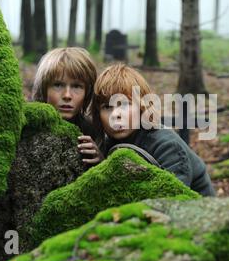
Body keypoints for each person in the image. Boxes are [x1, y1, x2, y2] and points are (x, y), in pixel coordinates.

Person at [92, 63, 216, 197]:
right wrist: (102, 165)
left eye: (125, 104)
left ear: (142, 106)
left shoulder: (167, 146)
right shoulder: (108, 143)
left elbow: (174, 199)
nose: (116, 114)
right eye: (107, 107)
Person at [32, 47, 104, 166]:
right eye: (58, 85)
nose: (67, 95)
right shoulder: (28, 127)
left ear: (87, 92)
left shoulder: (92, 131)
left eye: (76, 86)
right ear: (44, 89)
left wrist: (100, 161)